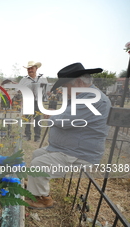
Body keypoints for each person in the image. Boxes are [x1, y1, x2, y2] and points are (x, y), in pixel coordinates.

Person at [26, 62, 111, 209]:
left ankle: (43, 200)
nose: (64, 90)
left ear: (78, 82)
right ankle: (35, 188)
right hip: (68, 148)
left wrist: (51, 116)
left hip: (79, 153)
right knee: (37, 154)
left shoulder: (93, 99)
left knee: (38, 164)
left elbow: (65, 120)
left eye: (65, 86)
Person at [18, 61, 49, 142]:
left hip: (38, 101)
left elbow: (47, 90)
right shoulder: (24, 79)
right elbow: (18, 90)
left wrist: (46, 93)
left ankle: (37, 137)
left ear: (36, 68)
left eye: (32, 68)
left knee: (37, 120)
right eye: (28, 69)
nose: (30, 70)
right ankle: (27, 135)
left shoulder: (43, 78)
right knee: (27, 119)